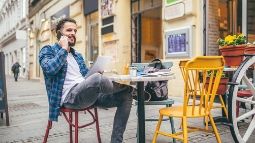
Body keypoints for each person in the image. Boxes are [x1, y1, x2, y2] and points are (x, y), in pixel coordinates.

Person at [39, 18, 133, 143]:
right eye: (69, 30)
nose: (73, 33)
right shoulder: (48, 50)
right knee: (97, 79)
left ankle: (116, 141)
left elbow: (86, 76)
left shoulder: (77, 55)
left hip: (87, 93)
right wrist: (63, 49)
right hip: (70, 98)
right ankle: (132, 88)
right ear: (59, 33)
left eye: (75, 30)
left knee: (126, 95)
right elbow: (50, 69)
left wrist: (96, 71)